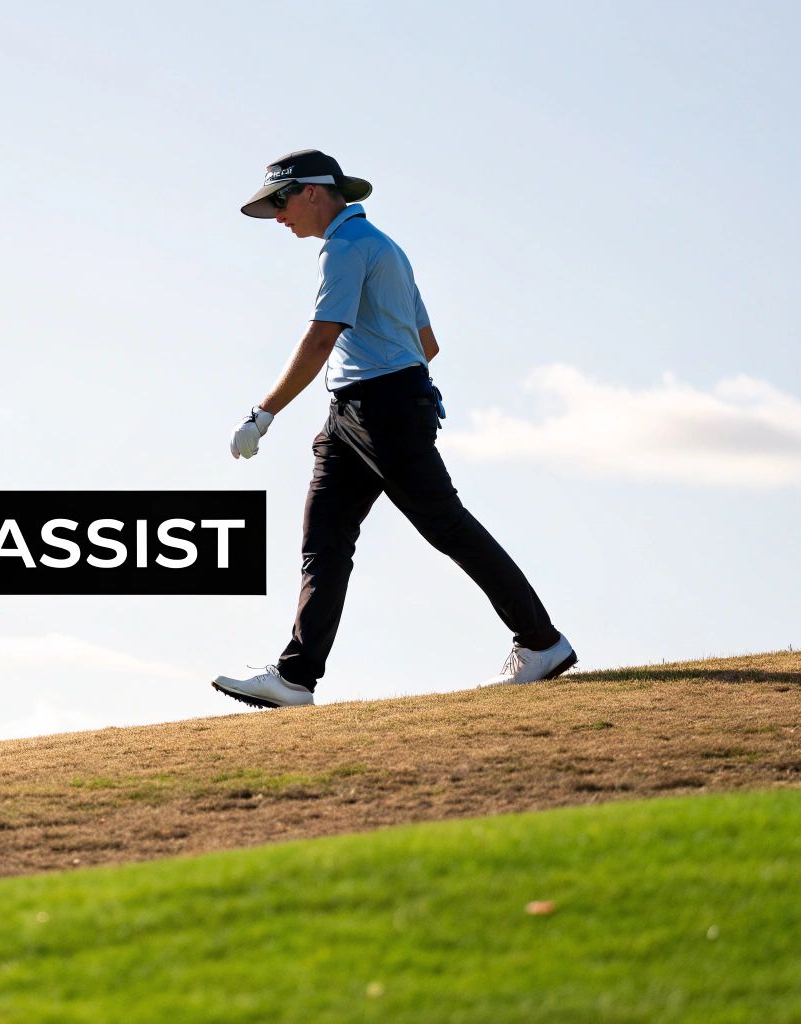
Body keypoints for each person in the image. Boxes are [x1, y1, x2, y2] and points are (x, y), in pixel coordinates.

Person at [213, 149, 575, 709]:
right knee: (325, 542)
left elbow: (321, 337)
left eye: (280, 201)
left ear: (313, 192)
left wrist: (263, 413)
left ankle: (541, 642)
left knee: (446, 526)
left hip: (381, 408)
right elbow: (427, 343)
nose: (278, 215)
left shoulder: (345, 247)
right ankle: (295, 678)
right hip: (357, 411)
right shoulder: (383, 246)